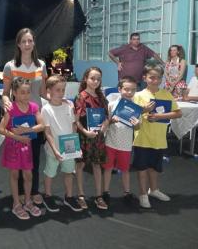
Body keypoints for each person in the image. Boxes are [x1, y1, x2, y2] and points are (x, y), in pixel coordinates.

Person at [2, 27, 48, 205]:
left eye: (30, 41)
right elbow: (6, 92)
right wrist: (5, 100)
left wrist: (61, 99)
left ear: (34, 43)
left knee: (34, 157)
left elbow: (43, 93)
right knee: (18, 157)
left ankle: (34, 190)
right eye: (24, 41)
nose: (27, 44)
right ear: (18, 44)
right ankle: (20, 192)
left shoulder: (41, 65)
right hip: (18, 118)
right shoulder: (10, 66)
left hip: (35, 118)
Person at [133, 64, 182, 208]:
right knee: (142, 168)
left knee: (154, 167)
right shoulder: (138, 96)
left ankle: (153, 190)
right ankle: (142, 194)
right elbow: (131, 115)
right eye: (151, 77)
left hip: (159, 139)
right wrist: (143, 111)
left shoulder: (166, 94)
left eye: (158, 78)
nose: (155, 81)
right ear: (144, 78)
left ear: (162, 79)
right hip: (142, 138)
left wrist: (160, 116)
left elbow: (178, 113)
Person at [0, 77, 45, 220]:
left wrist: (26, 130)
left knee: (28, 175)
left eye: (28, 92)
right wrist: (18, 137)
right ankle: (16, 203)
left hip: (27, 148)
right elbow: (1, 129)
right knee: (14, 175)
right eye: (22, 92)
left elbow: (42, 125)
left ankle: (27, 201)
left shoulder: (33, 107)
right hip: (13, 147)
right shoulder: (11, 109)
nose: (26, 95)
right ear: (15, 93)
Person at [41, 75, 82, 213]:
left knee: (69, 172)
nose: (61, 92)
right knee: (50, 173)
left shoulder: (68, 106)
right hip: (54, 149)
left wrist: (77, 146)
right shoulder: (46, 109)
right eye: (57, 89)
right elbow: (47, 132)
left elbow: (73, 127)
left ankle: (69, 197)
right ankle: (47, 195)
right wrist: (55, 150)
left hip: (69, 148)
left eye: (63, 89)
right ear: (49, 91)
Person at [74, 67, 109, 210]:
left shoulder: (102, 97)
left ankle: (98, 196)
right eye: (92, 78)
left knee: (97, 165)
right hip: (84, 136)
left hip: (98, 137)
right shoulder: (81, 97)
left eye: (98, 79)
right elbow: (75, 120)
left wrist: (105, 125)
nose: (95, 81)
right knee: (81, 165)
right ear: (86, 79)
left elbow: (107, 117)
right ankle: (81, 195)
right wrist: (85, 132)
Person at [102, 76, 140, 206]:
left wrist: (137, 124)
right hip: (110, 143)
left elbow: (138, 127)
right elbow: (105, 123)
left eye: (133, 90)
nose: (129, 93)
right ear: (120, 89)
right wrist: (111, 121)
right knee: (108, 169)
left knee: (125, 170)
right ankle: (105, 192)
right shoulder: (111, 105)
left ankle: (127, 192)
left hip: (126, 145)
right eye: (126, 89)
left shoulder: (136, 107)